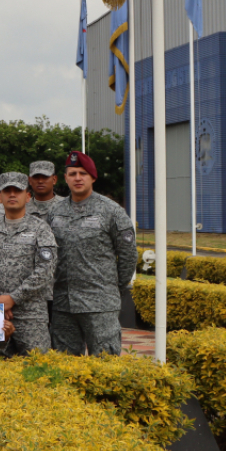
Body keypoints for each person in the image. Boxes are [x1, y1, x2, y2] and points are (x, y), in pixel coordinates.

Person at [48, 151, 137, 356]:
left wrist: (112, 288)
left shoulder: (112, 211)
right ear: (65, 178)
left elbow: (128, 256)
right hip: (64, 304)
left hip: (100, 304)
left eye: (83, 173)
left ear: (93, 177)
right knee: (65, 365)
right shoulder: (55, 212)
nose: (77, 178)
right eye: (72, 173)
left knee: (105, 364)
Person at [0, 172, 57, 355]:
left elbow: (45, 269)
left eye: (17, 191)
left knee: (37, 367)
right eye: (7, 191)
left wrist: (13, 298)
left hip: (31, 314)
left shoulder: (41, 228)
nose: (11, 195)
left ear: (27, 196)